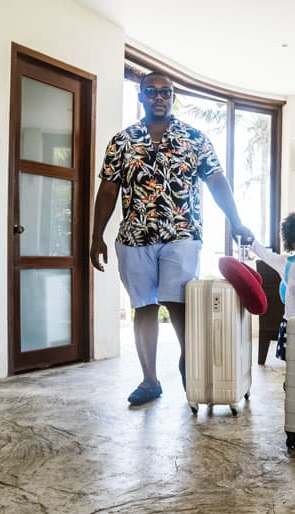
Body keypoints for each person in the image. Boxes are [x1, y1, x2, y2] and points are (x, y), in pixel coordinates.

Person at [90, 71, 251, 406]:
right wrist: (96, 236)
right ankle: (150, 380)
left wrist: (235, 221)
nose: (159, 97)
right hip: (134, 236)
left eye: (166, 92)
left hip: (182, 233)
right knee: (143, 306)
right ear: (142, 96)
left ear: (173, 96)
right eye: (152, 91)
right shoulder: (122, 141)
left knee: (178, 300)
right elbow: (107, 189)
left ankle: (188, 361)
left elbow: (217, 181)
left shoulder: (195, 138)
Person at [250, 212, 295, 360]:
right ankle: (291, 384)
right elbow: (265, 255)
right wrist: (250, 240)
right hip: (293, 324)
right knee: (294, 365)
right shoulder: (287, 263)